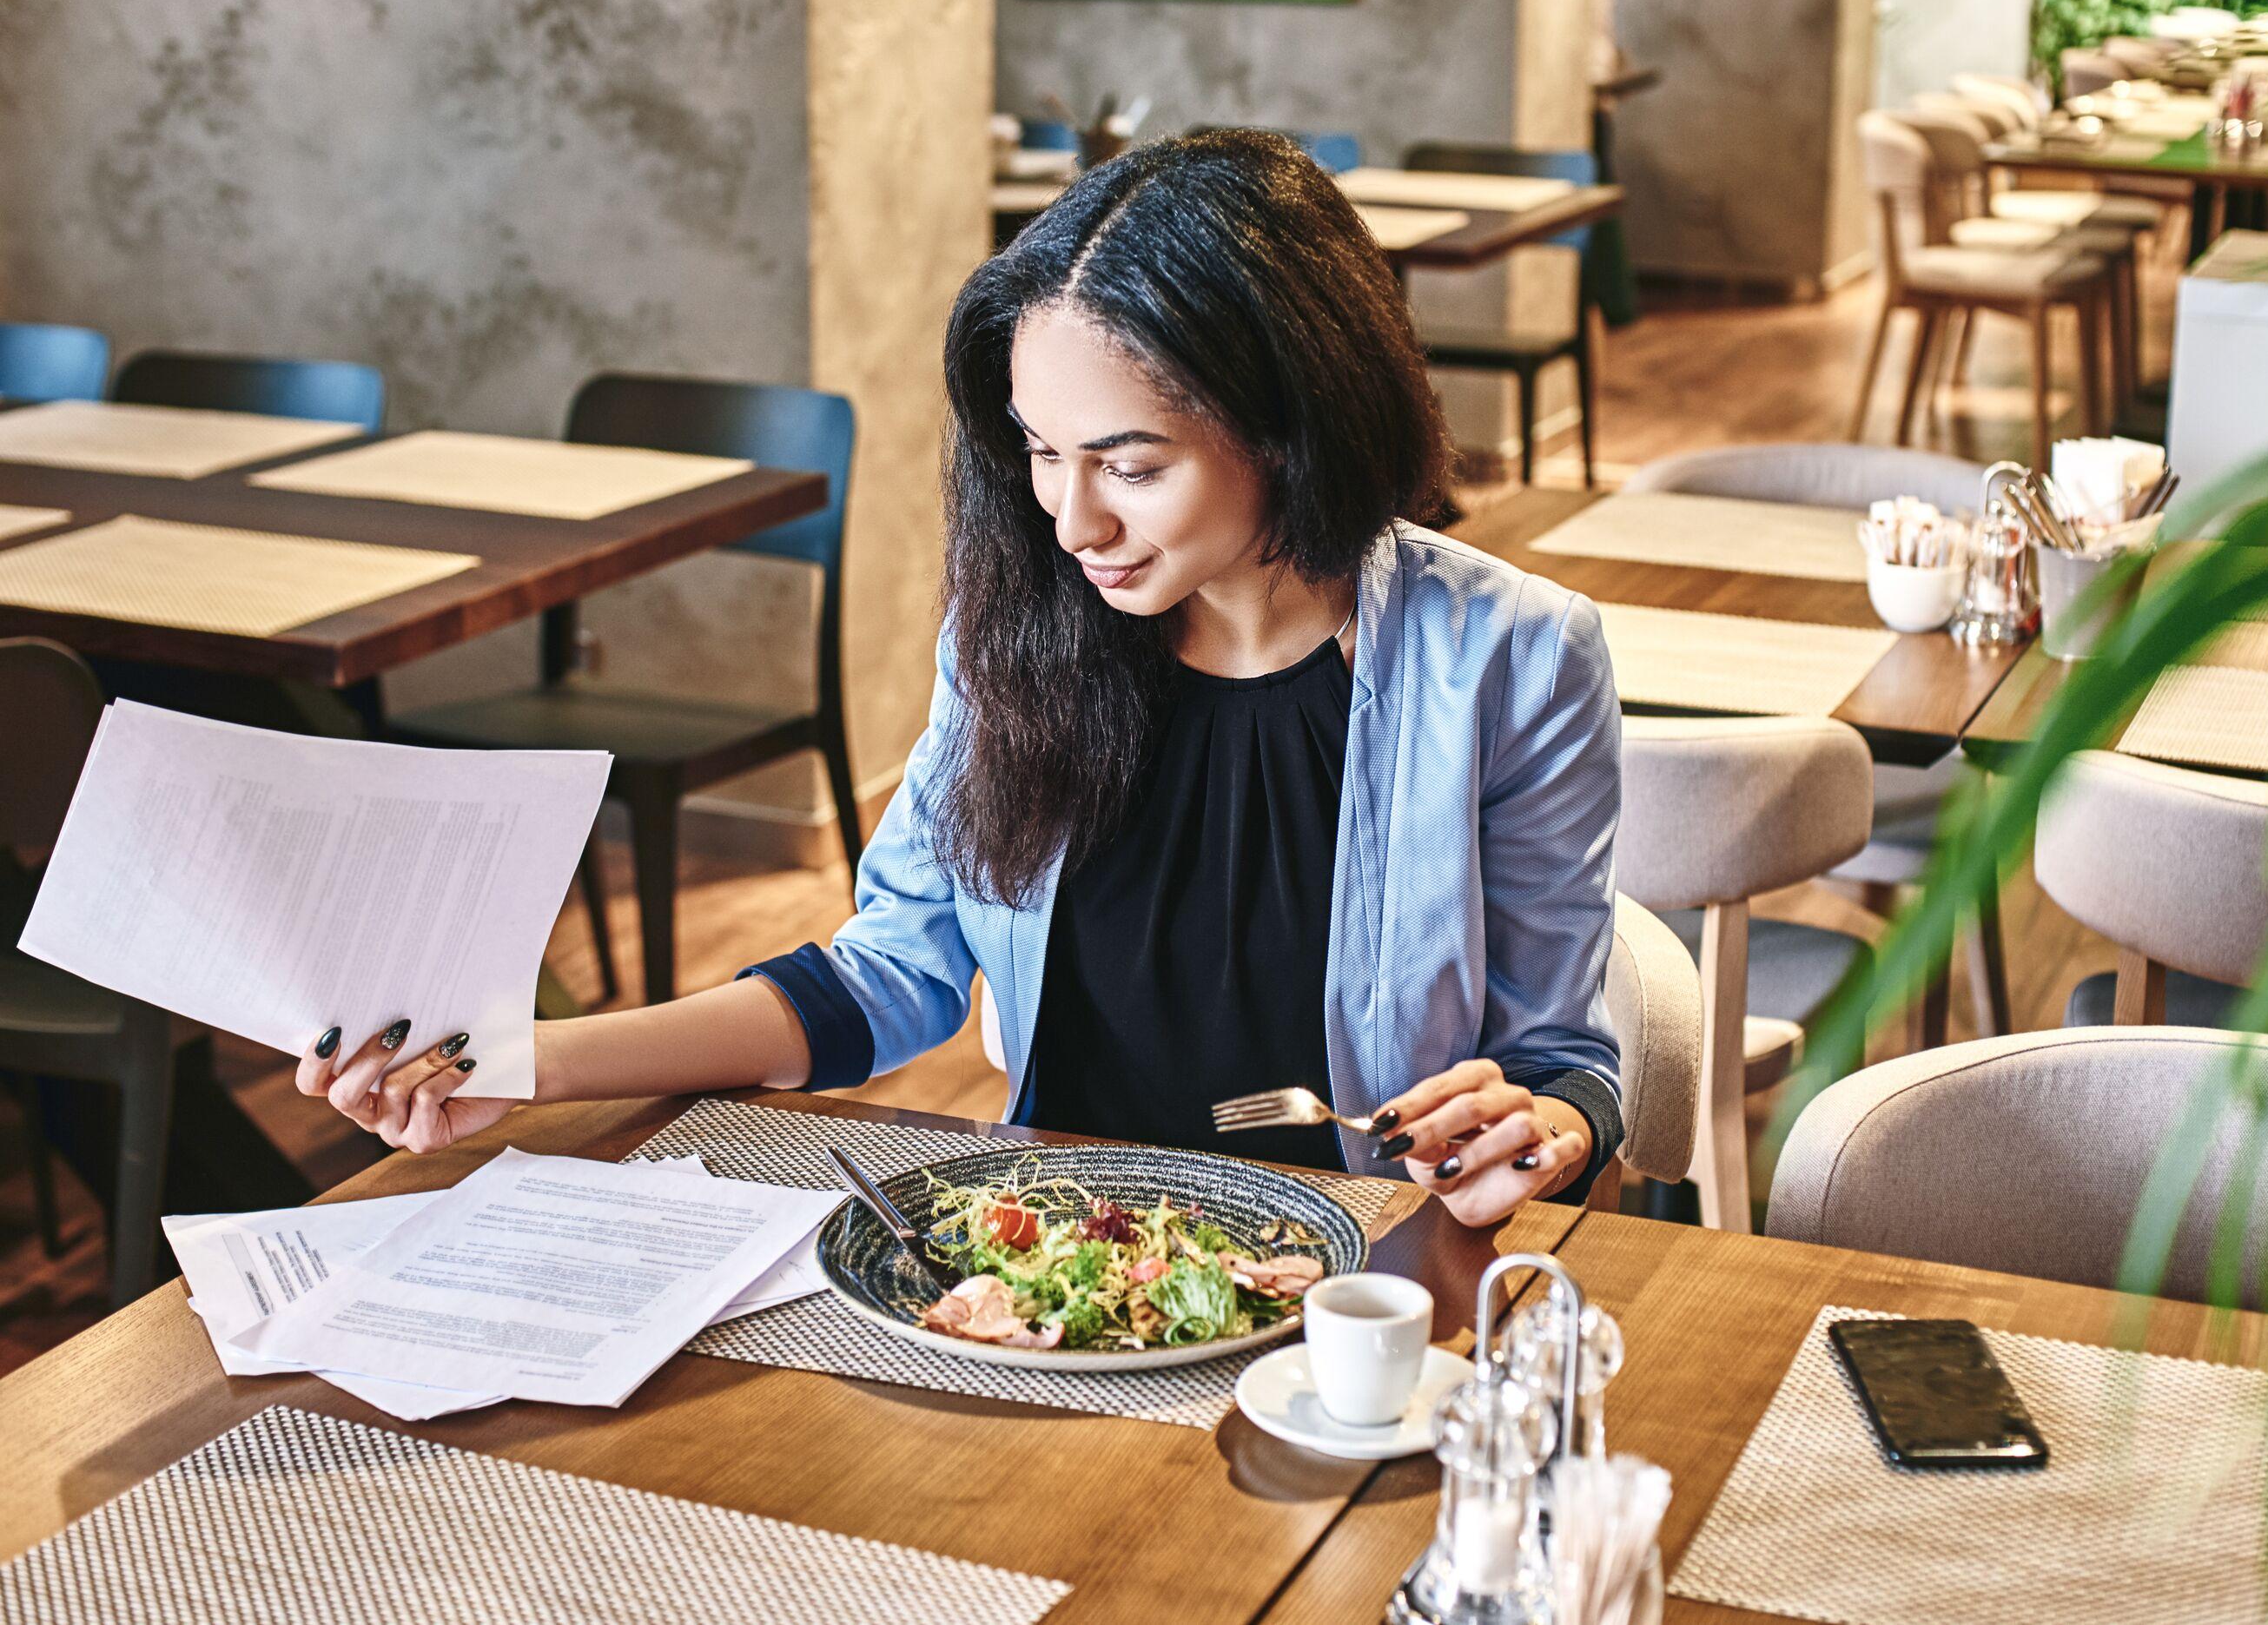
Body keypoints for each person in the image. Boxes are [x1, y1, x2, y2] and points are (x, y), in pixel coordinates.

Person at [299, 129, 1623, 1225]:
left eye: (1132, 463)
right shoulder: (1021, 638)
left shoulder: (1511, 660)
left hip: (1359, 1290)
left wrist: (1548, 1121)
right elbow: (885, 981)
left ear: (1297, 419)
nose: (1073, 522)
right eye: (1042, 453)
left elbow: (1564, 1062)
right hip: (1069, 1263)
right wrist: (518, 1063)